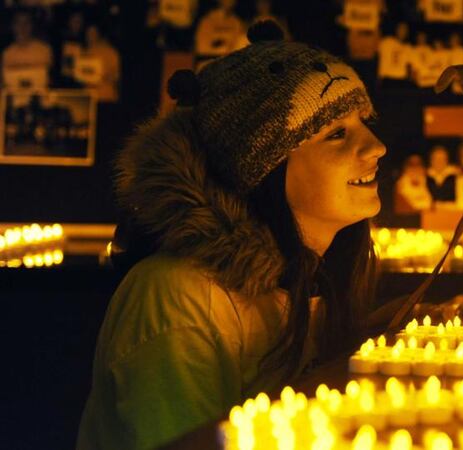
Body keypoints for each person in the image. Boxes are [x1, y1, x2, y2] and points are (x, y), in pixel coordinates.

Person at [77, 22, 387, 450]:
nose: (377, 147)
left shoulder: (312, 278)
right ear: (262, 168)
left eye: (364, 122)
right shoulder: (177, 297)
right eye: (336, 133)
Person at [1, 9, 52, 88]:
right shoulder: (7, 54)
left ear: (32, 26)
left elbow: (49, 81)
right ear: (13, 27)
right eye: (18, 23)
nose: (22, 27)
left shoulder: (44, 50)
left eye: (26, 23)